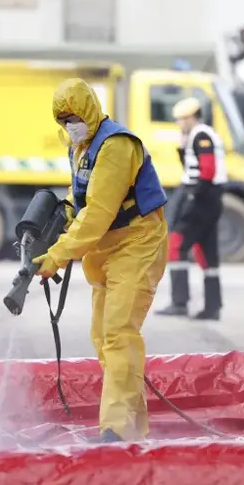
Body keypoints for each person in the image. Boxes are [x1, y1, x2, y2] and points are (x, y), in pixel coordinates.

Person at [31, 78, 169, 443]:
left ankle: (116, 430)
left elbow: (98, 214)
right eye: (62, 120)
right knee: (103, 336)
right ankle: (133, 429)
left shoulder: (116, 145)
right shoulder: (81, 146)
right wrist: (51, 230)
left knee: (119, 332)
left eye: (73, 116)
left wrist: (58, 255)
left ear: (89, 108)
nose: (68, 125)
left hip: (137, 244)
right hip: (107, 249)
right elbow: (80, 201)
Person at [156, 97, 226, 320]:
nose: (179, 123)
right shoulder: (198, 135)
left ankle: (179, 302)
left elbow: (207, 170)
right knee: (206, 253)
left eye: (181, 119)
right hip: (209, 198)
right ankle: (212, 307)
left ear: (190, 118)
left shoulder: (201, 135)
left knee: (176, 244)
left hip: (200, 197)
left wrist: (193, 198)